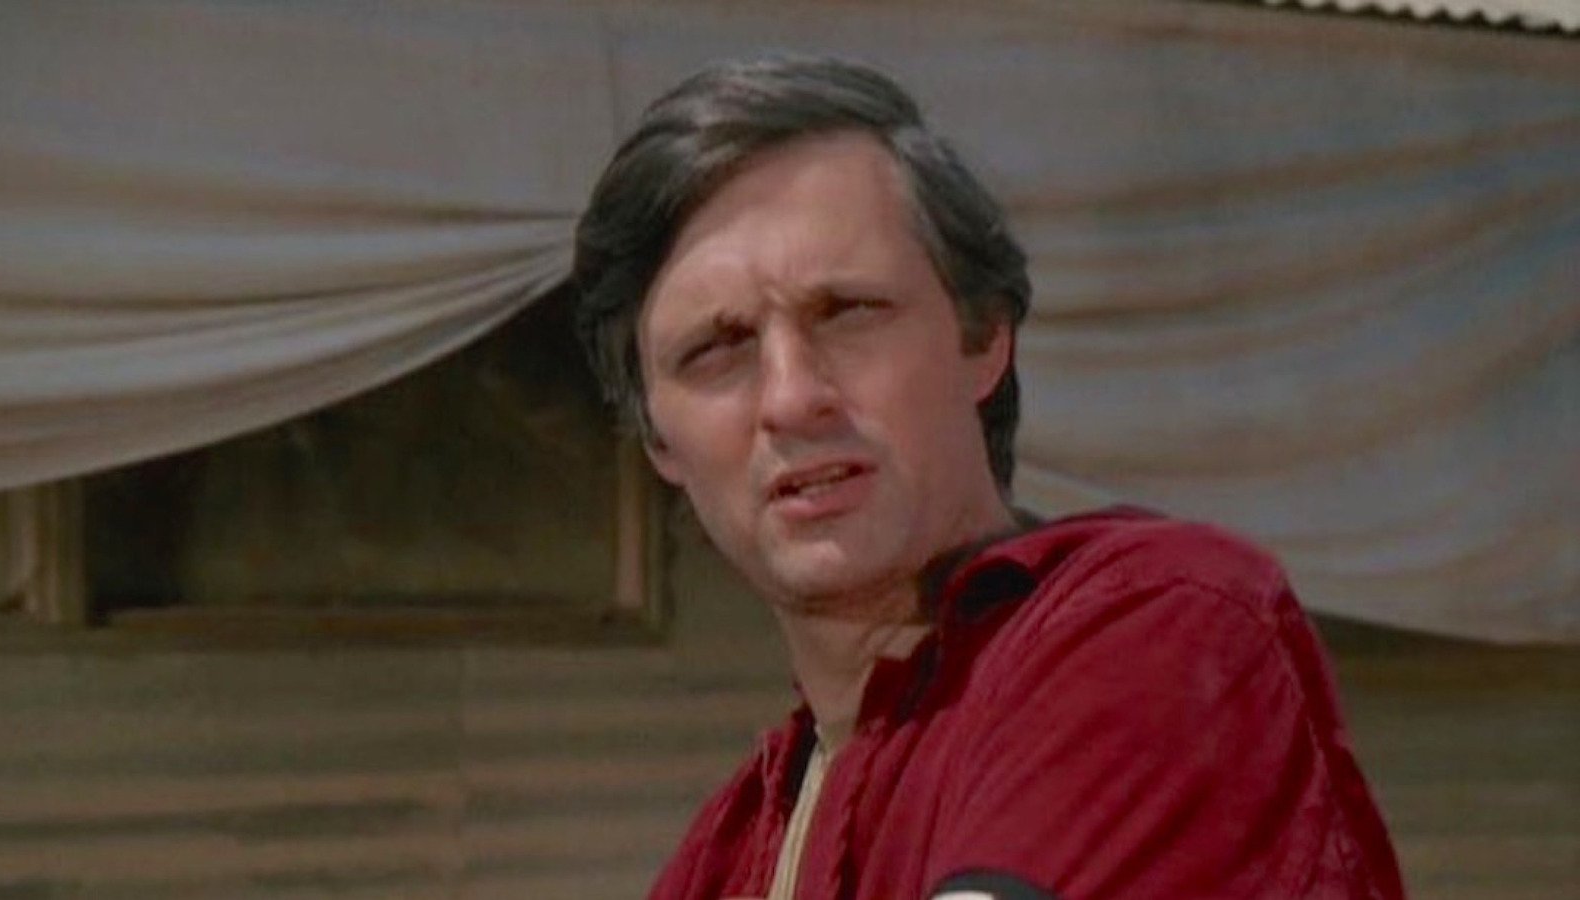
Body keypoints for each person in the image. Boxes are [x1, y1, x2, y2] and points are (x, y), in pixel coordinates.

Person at [570, 54, 1404, 900]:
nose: (791, 399)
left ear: (982, 339)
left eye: (848, 312)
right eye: (717, 350)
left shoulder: (1159, 629)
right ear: (658, 441)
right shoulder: (725, 857)